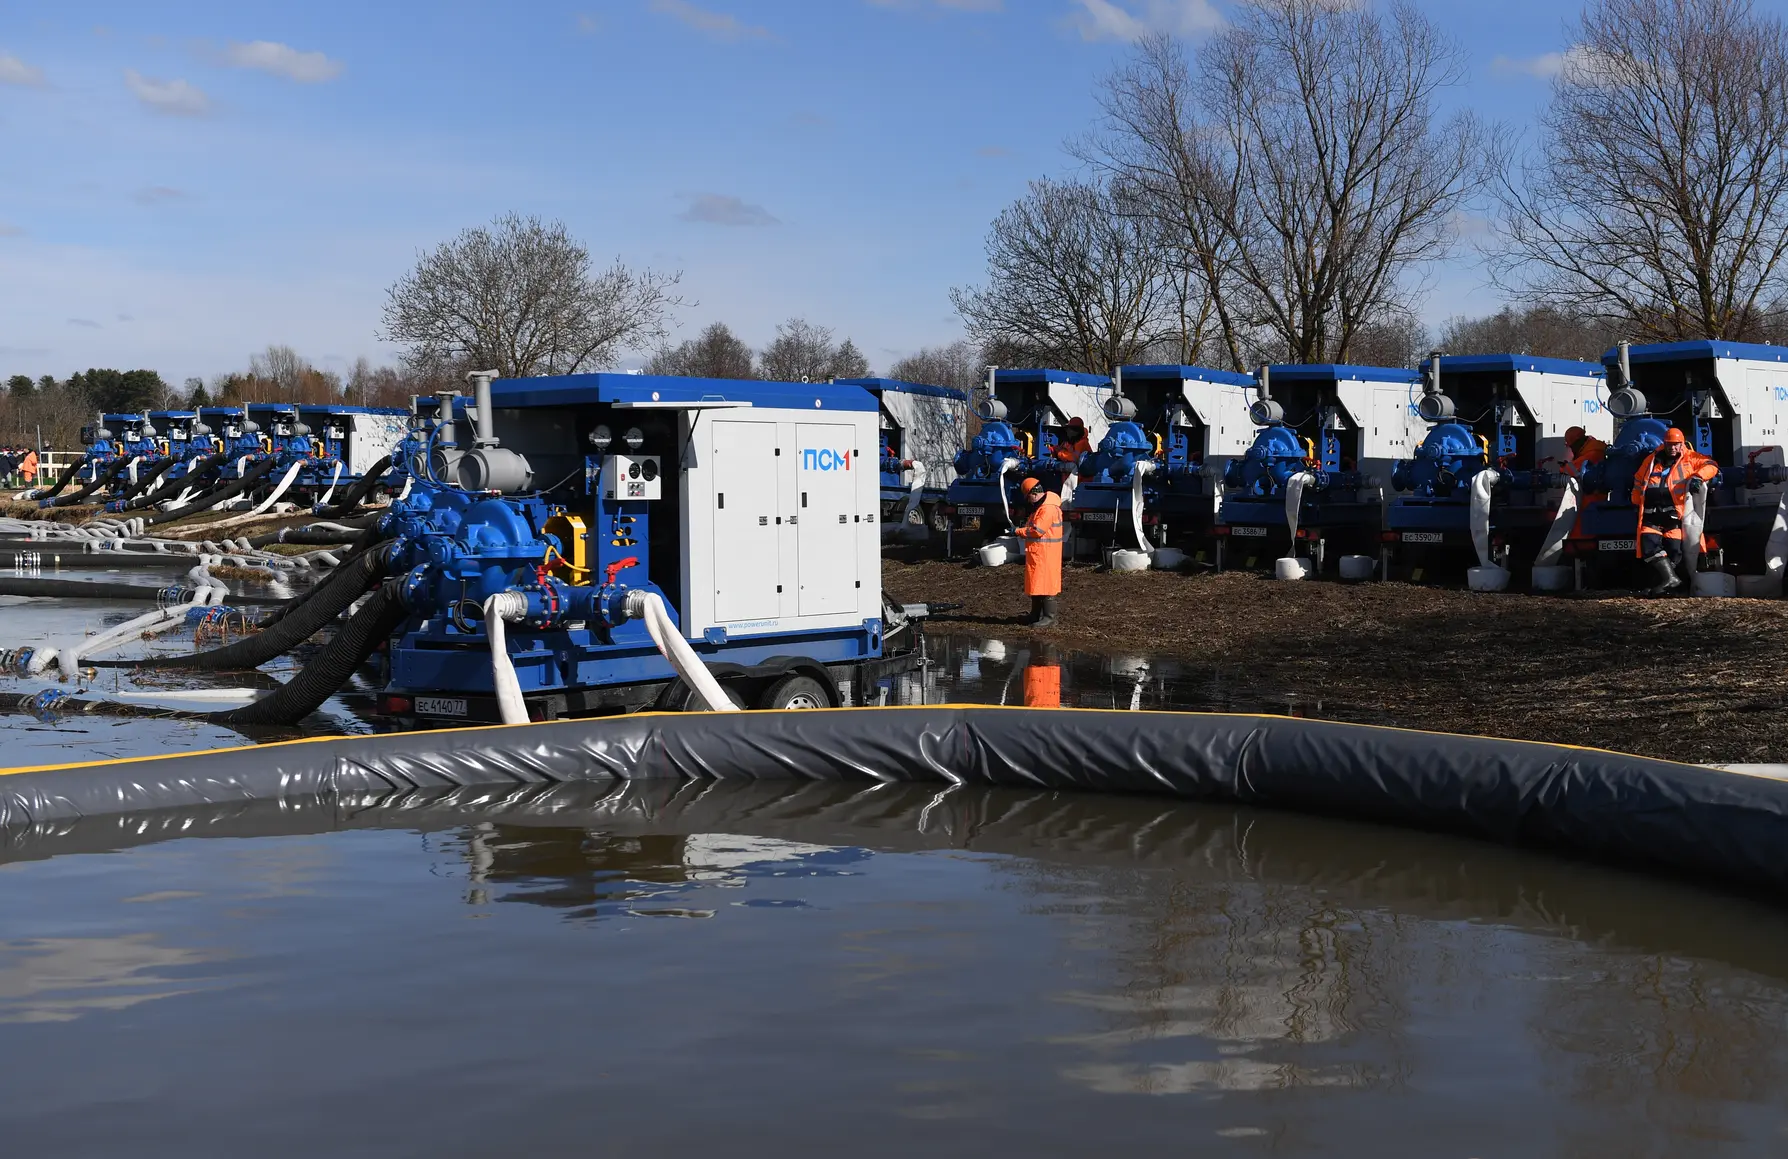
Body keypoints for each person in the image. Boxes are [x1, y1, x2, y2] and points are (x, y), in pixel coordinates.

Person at [1630, 427, 1719, 595]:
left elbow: (1711, 465)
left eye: (1676, 444)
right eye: (1669, 444)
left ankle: (1671, 587)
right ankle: (1669, 580)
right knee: (1649, 547)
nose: (1672, 448)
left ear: (1682, 444)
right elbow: (1638, 479)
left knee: (1674, 551)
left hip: (1675, 515)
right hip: (1651, 514)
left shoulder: (1691, 458)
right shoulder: (1651, 459)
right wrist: (1635, 498)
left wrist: (1698, 477)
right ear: (1664, 444)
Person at [1013, 476, 1064, 627]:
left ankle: (1049, 618)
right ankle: (1036, 615)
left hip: (1046, 554)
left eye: (1028, 497)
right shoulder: (1042, 508)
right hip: (1040, 553)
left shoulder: (1047, 509)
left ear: (1033, 494)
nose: (1028, 501)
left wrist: (1018, 531)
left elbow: (1037, 531)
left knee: (1047, 585)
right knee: (1037, 584)